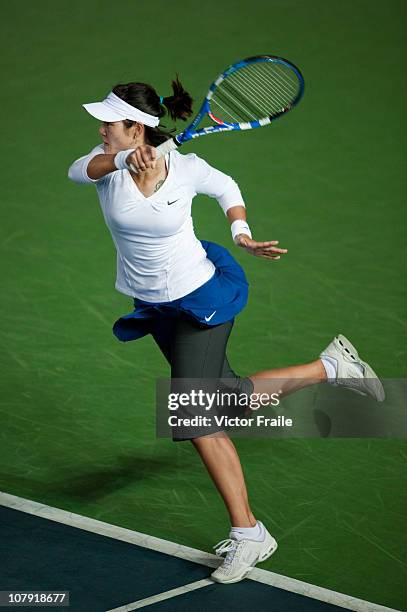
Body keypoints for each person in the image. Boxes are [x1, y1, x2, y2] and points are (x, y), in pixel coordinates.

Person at [68, 76, 385, 585]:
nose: (101, 128)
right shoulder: (109, 164)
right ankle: (331, 366)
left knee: (194, 415)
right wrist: (126, 160)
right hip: (154, 305)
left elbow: (227, 188)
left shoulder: (187, 168)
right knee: (225, 398)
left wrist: (242, 233)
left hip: (201, 299)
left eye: (110, 122)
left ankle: (249, 532)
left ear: (137, 127)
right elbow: (79, 171)